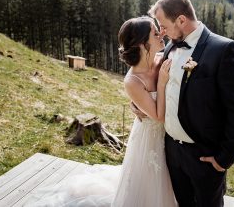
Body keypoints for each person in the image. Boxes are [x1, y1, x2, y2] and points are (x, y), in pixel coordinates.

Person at [26, 16, 177, 207]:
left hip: (169, 138)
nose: (160, 34)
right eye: (155, 33)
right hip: (149, 139)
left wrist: (161, 34)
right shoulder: (132, 81)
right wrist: (162, 83)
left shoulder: (160, 59)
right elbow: (157, 116)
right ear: (142, 44)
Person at [141, 0, 234, 207]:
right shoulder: (170, 46)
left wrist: (223, 159)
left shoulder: (224, 49)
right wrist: (138, 103)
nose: (161, 32)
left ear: (181, 19)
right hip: (172, 152)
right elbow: (152, 83)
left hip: (205, 159)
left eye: (163, 25)